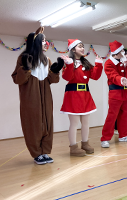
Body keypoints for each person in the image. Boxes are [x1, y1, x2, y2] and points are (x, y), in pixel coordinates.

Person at [11, 27, 63, 164]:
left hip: (46, 95)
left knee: (47, 123)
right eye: (43, 41)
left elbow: (53, 80)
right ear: (36, 43)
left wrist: (55, 71)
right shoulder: (23, 58)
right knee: (33, 124)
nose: (46, 43)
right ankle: (36, 154)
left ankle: (45, 151)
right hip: (30, 97)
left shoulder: (47, 59)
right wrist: (26, 68)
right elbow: (18, 79)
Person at [60, 39, 103, 156]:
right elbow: (67, 77)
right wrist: (69, 65)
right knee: (74, 123)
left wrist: (99, 64)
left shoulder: (86, 63)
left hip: (85, 95)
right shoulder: (69, 62)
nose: (83, 48)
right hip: (73, 95)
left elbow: (95, 76)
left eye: (83, 46)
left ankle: (85, 143)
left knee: (85, 122)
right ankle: (73, 147)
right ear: (73, 49)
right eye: (80, 46)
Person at [100, 41, 127, 148]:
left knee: (126, 115)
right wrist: (120, 79)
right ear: (117, 52)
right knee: (112, 116)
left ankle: (123, 135)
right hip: (115, 93)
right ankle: (105, 138)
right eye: (122, 50)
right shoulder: (109, 63)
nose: (124, 52)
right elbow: (112, 75)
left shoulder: (125, 61)